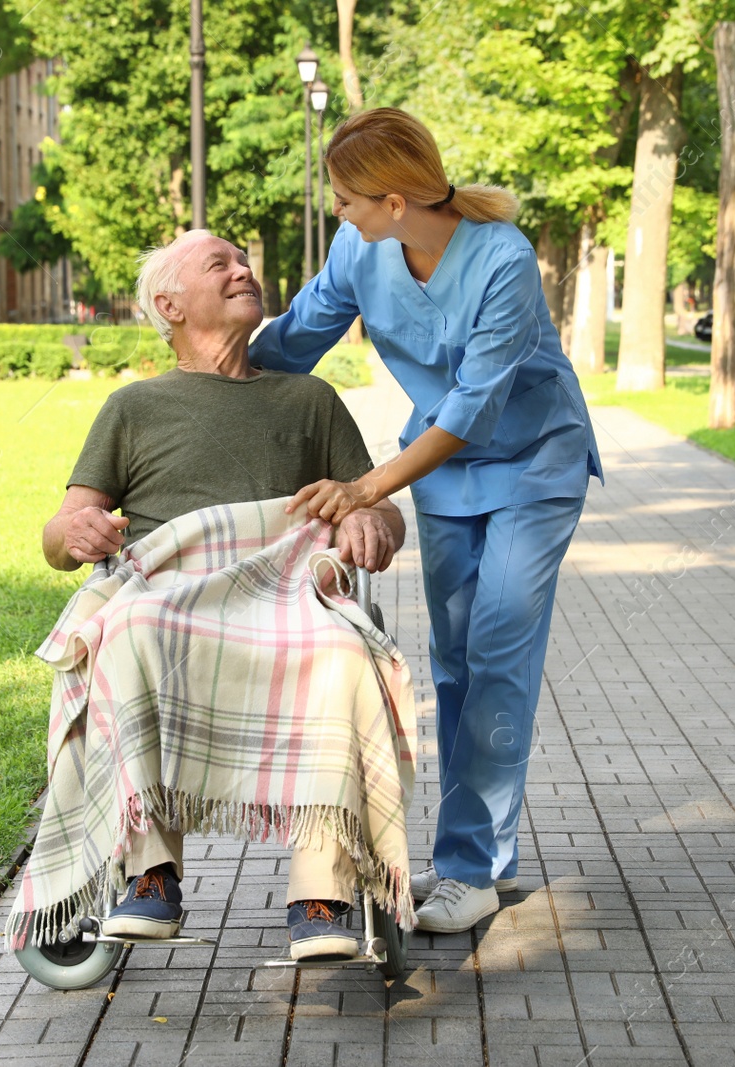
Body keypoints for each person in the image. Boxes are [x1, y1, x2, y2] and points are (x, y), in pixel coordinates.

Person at [250, 107, 603, 934]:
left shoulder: (504, 262)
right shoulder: (359, 249)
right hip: (445, 479)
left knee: (499, 651)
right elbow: (298, 337)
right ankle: (494, 857)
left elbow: (472, 409)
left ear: (397, 199)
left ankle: (469, 868)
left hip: (531, 465)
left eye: (347, 199)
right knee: (453, 664)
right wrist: (217, 368)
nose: (338, 211)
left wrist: (368, 487)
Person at [40, 229, 407, 960]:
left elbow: (380, 505)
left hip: (285, 591)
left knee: (338, 649)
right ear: (169, 305)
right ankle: (149, 875)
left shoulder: (308, 399)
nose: (245, 269)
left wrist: (370, 519)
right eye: (222, 264)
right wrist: (74, 531)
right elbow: (59, 531)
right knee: (129, 627)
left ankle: (324, 887)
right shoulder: (134, 407)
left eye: (245, 260)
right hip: (171, 593)